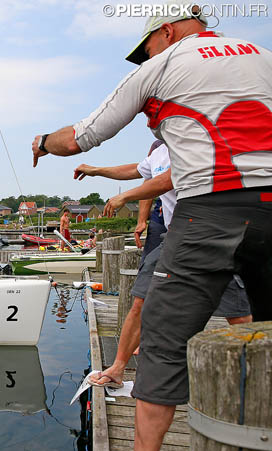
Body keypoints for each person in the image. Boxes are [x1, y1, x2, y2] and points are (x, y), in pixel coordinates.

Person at [31, 2, 272, 451]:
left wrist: (43, 143)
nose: (143, 56)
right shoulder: (265, 57)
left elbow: (79, 137)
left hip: (208, 209)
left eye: (144, 47)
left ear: (165, 33)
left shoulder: (160, 68)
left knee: (161, 344)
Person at [75, 142, 252, 391]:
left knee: (238, 312)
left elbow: (170, 178)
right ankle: (117, 369)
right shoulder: (157, 151)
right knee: (140, 301)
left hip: (211, 236)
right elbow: (134, 170)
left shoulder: (195, 141)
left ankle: (257, 372)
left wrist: (126, 195)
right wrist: (96, 170)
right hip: (174, 237)